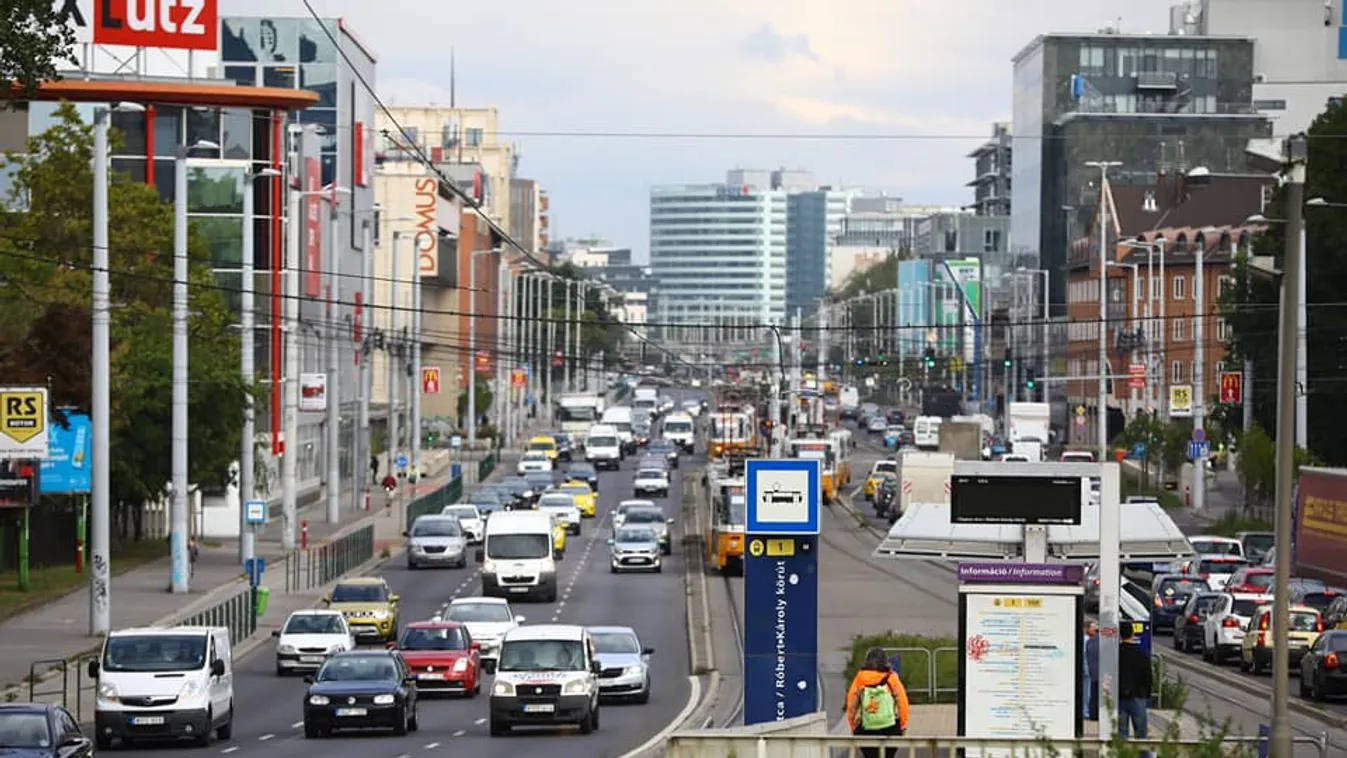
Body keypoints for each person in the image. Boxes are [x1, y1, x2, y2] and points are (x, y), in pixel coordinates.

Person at [845, 647, 910, 758]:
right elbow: (902, 703)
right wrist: (902, 725)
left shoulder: (860, 678)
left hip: (867, 729)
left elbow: (851, 706)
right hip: (890, 728)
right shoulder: (891, 678)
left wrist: (853, 726)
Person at [1117, 624, 1153, 748]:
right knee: (1141, 734)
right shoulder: (1141, 655)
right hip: (1138, 696)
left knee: (1122, 733)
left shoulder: (1116, 654)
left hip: (1120, 697)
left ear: (1120, 635)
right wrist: (1147, 694)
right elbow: (1148, 677)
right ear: (1133, 634)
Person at [1082, 620, 1098, 721]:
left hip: (1089, 669)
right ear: (1087, 628)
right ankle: (1085, 712)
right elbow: (1085, 656)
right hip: (1087, 670)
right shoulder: (1086, 640)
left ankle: (1086, 711)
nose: (1095, 629)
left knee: (1088, 692)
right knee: (1087, 692)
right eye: (1093, 627)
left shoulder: (1090, 640)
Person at [1085, 625, 1100, 721]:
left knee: (1093, 695)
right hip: (1102, 671)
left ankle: (1093, 714)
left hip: (1092, 671)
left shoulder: (1090, 641)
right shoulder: (1103, 640)